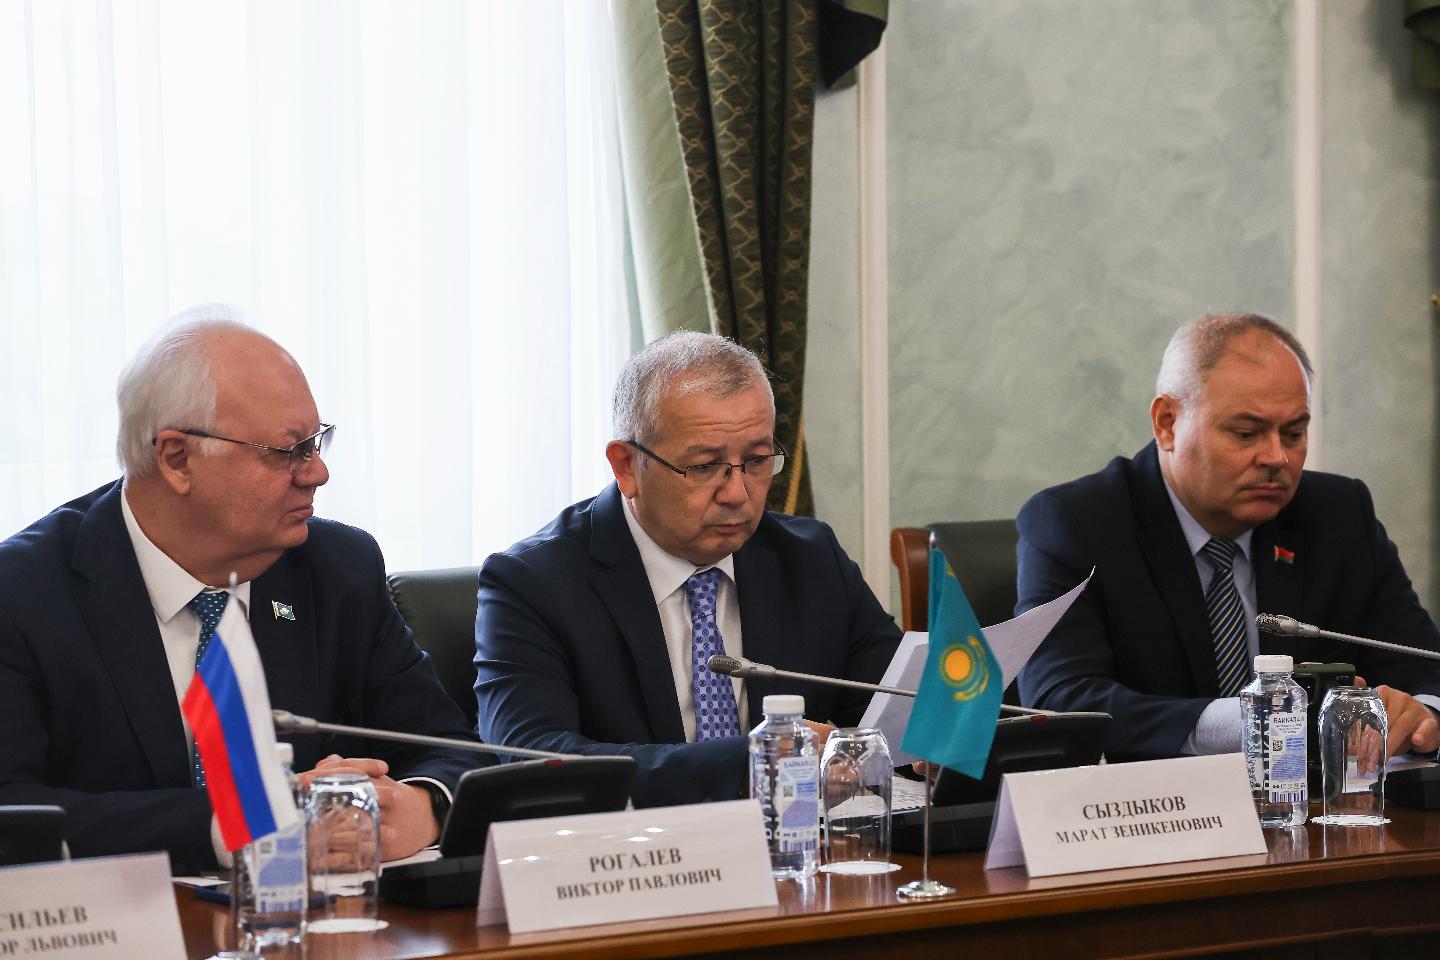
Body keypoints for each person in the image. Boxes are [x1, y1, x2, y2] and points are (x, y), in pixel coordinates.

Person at [0, 305, 487, 874]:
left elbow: (451, 746)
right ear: (177, 459)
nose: (317, 473)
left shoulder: (338, 569)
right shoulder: (23, 595)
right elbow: (13, 810)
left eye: (317, 442)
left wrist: (423, 806)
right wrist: (241, 823)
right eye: (286, 451)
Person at [475, 331, 901, 806]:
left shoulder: (809, 559)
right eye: (704, 466)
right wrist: (752, 763)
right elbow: (532, 760)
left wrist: (931, 744)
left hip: (798, 844)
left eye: (756, 461)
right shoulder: (534, 583)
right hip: (632, 849)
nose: (737, 493)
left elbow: (897, 707)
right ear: (627, 466)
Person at [1017, 313, 1440, 762]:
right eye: (1245, 433)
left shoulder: (1339, 514)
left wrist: (1425, 715)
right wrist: (1255, 722)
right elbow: (1061, 701)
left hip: (1314, 802)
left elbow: (1424, 664)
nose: (1277, 457)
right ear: (1167, 423)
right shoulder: (1075, 523)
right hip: (1156, 801)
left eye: (1294, 433)